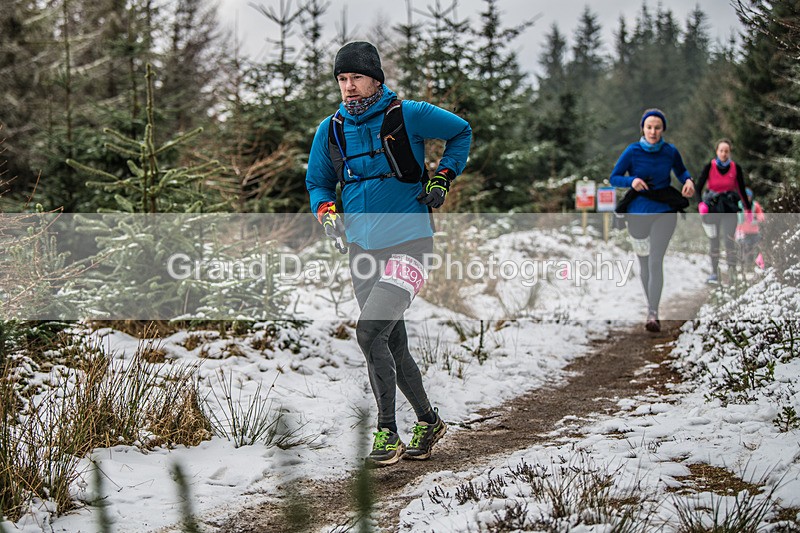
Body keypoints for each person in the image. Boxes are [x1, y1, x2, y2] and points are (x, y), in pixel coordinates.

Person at [305, 42, 472, 467]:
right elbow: (319, 183)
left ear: (375, 79)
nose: (348, 86)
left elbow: (461, 131)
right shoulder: (332, 129)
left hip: (410, 243)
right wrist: (326, 213)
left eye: (356, 78)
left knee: (367, 332)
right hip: (360, 248)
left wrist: (442, 179)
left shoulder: (408, 113)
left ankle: (386, 432)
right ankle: (429, 421)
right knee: (390, 341)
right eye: (342, 79)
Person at [610, 108, 695, 333]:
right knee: (645, 263)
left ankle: (653, 313)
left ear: (663, 129)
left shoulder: (670, 151)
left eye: (657, 127)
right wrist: (633, 181)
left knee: (656, 261)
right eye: (649, 127)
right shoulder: (632, 151)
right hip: (637, 214)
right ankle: (651, 307)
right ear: (643, 129)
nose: (653, 131)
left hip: (664, 211)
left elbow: (682, 171)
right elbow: (614, 177)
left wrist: (688, 181)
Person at [695, 139, 751, 283]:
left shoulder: (735, 168)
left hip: (729, 207)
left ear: (729, 152)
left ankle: (732, 273)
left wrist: (748, 208)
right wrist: (700, 204)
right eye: (721, 151)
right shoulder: (709, 167)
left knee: (729, 240)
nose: (724, 154)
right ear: (717, 152)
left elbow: (741, 188)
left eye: (726, 151)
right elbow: (698, 187)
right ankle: (714, 273)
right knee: (714, 241)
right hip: (712, 207)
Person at [735, 188, 765, 273]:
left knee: (755, 249)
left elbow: (761, 216)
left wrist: (755, 219)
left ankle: (754, 267)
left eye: (747, 196)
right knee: (744, 249)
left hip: (754, 231)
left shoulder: (755, 205)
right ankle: (744, 268)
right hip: (742, 231)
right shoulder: (738, 205)